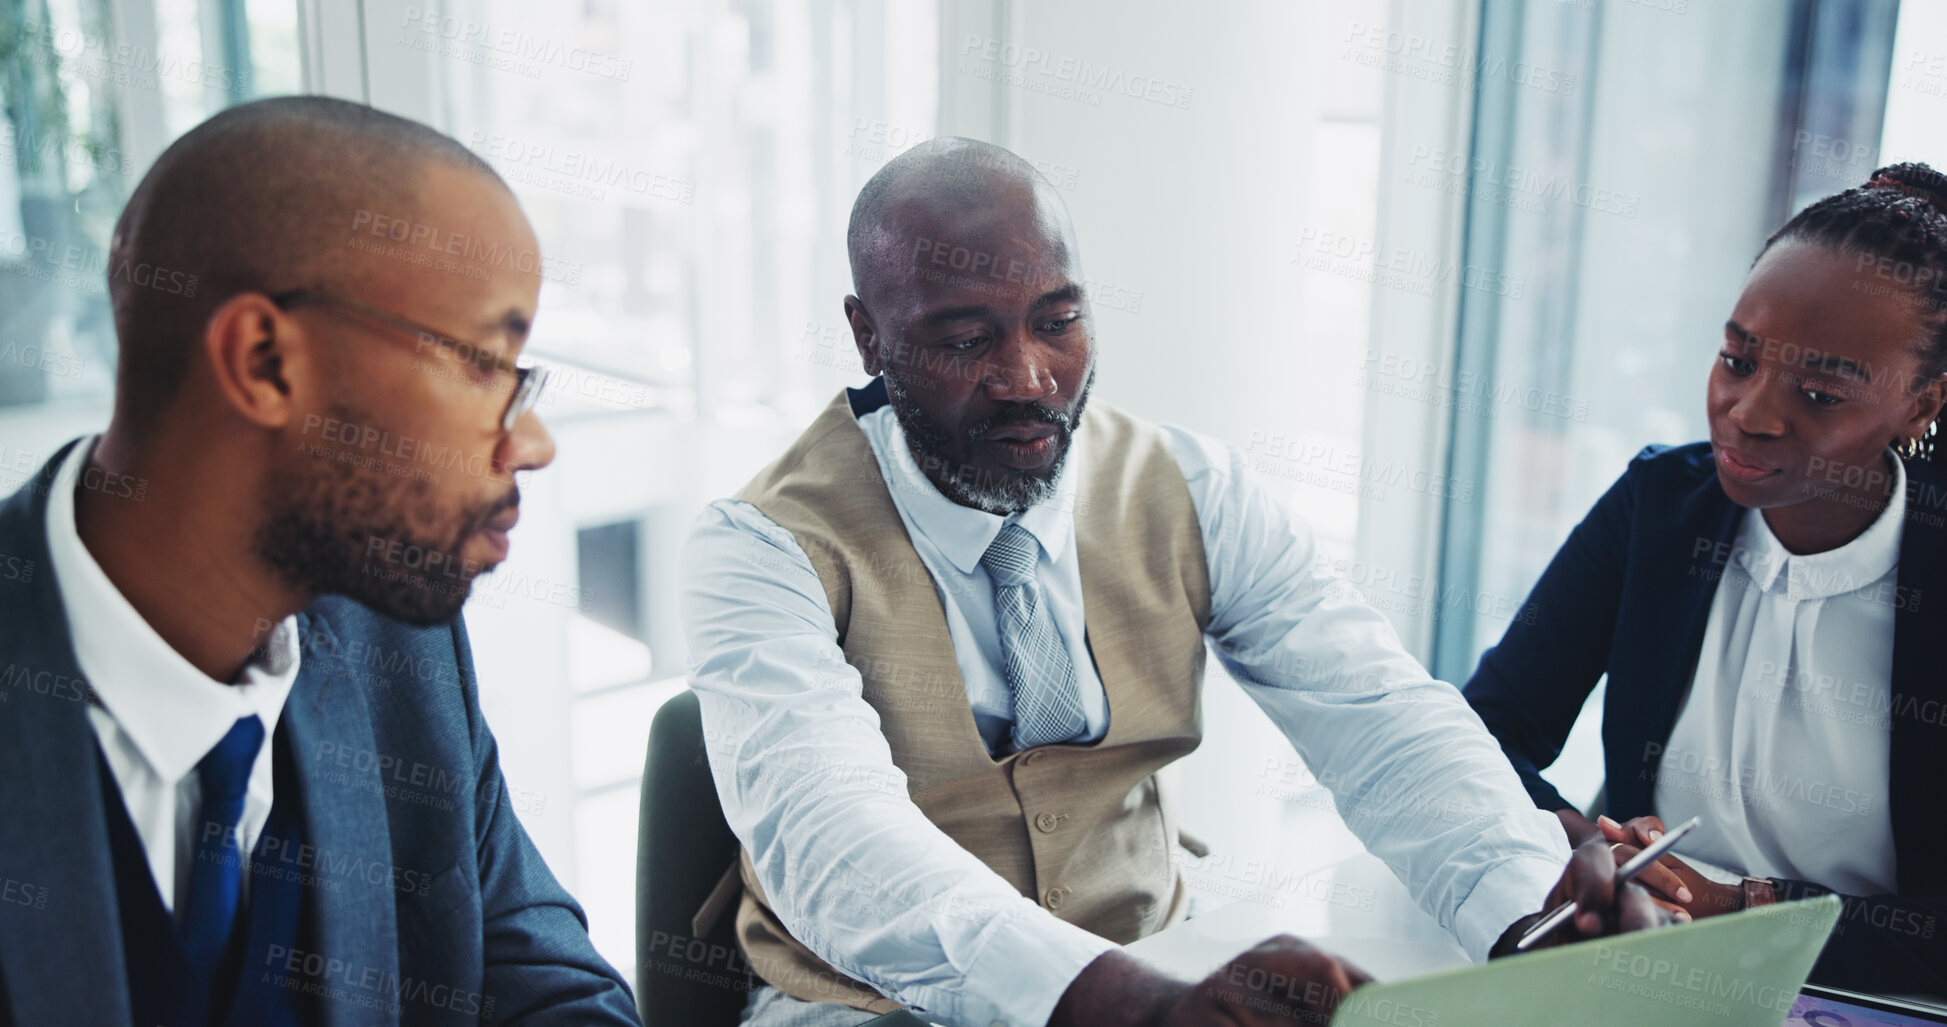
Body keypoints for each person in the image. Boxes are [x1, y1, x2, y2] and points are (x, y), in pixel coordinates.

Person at [682, 137, 1667, 1027]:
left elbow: (1384, 722)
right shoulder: (761, 545)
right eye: (965, 339)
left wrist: (1529, 909)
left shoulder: (1193, 488)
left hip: (1159, 961)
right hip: (870, 1007)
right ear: (868, 336)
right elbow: (832, 839)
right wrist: (1124, 1005)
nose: (1028, 376)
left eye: (1058, 322)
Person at [0, 97, 639, 1024]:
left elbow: (536, 980)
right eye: (484, 363)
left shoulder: (398, 648)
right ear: (263, 361)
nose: (531, 441)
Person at [1464, 163, 1947, 997]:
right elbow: (1482, 733)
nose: (1750, 411)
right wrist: (1587, 847)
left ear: (1921, 402)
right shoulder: (1659, 509)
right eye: (1737, 358)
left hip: (1868, 998)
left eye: (1819, 392)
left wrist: (1736, 907)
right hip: (1652, 976)